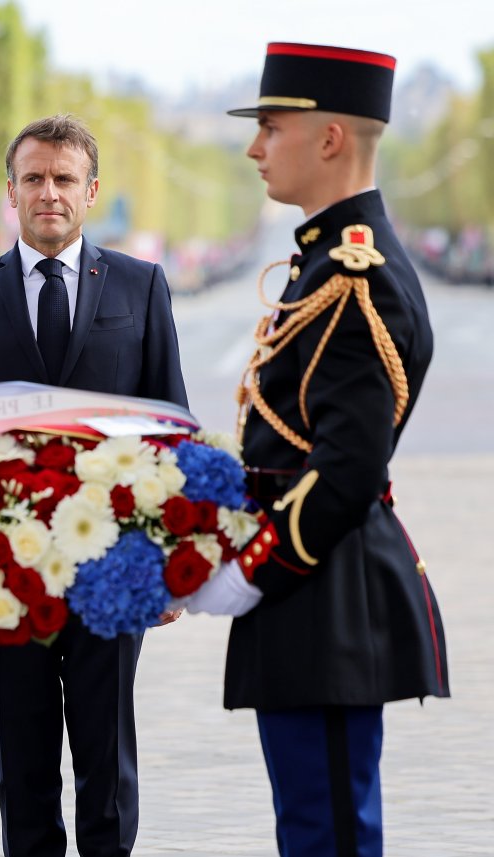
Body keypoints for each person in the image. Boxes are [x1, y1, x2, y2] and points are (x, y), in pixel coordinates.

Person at [187, 42, 450, 856]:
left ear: (329, 139)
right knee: (314, 825)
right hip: (313, 600)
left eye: (270, 127)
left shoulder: (353, 277)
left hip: (324, 598)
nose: (254, 147)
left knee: (328, 832)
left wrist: (248, 568)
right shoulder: (324, 263)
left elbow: (345, 470)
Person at [0, 114, 188, 857]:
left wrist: (170, 560)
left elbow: (170, 428)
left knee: (108, 771)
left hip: (113, 570)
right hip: (4, 577)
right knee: (24, 773)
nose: (49, 192)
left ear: (91, 191)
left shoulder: (141, 287)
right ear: (10, 192)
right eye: (34, 178)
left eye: (64, 178)